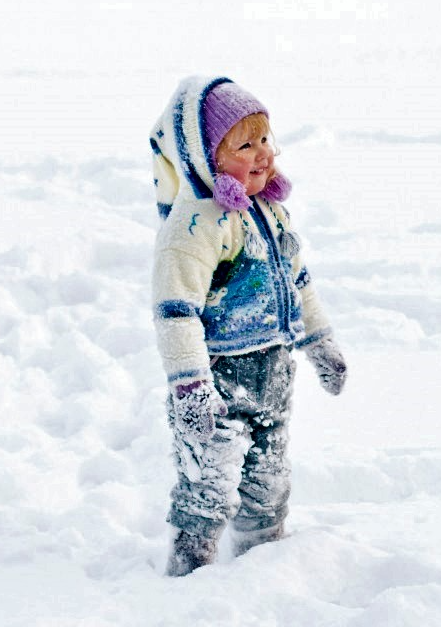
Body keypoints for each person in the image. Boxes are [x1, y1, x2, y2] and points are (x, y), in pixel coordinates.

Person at [149, 76, 347, 577]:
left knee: (269, 482)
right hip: (217, 382)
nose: (262, 153)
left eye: (265, 139)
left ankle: (262, 568)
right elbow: (176, 310)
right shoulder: (196, 224)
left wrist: (319, 341)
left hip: (274, 374)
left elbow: (298, 281)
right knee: (208, 486)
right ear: (204, 157)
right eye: (244, 144)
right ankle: (187, 573)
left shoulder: (271, 212)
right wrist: (190, 384)